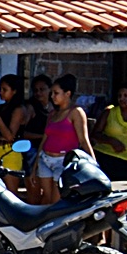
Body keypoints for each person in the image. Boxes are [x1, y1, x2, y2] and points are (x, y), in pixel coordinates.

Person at [33, 75, 96, 206]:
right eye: (52, 93)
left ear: (67, 94)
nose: (52, 96)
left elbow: (83, 140)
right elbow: (45, 139)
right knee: (46, 200)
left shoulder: (76, 112)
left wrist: (94, 165)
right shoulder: (52, 114)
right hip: (45, 160)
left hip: (62, 162)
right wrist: (35, 166)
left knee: (57, 201)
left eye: (56, 93)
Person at [0, 74, 35, 191]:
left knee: (10, 193)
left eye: (4, 90)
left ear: (14, 91)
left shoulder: (18, 110)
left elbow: (10, 136)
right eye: (0, 89)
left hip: (11, 153)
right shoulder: (0, 108)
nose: (0, 92)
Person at [19, 75, 53, 203]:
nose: (38, 93)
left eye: (42, 89)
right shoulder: (31, 107)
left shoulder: (55, 108)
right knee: (34, 190)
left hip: (51, 151)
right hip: (33, 149)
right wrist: (43, 137)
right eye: (36, 90)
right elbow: (23, 133)